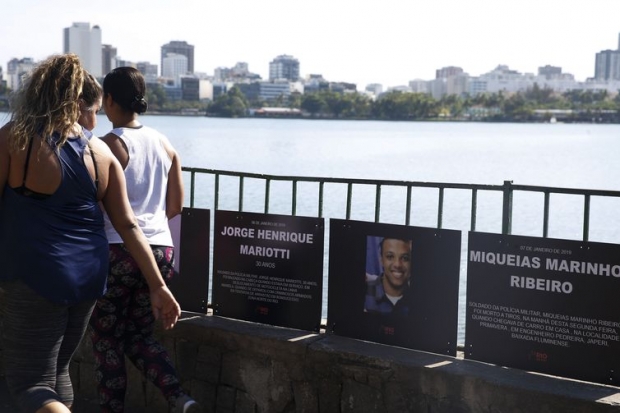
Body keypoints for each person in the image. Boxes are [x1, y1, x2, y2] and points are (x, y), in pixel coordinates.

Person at [0, 54, 181, 413]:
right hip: (89, 276)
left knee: (29, 382)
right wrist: (158, 285)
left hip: (34, 272)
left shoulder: (15, 138)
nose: (95, 120)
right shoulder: (100, 152)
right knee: (57, 374)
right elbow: (129, 225)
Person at [87, 67, 198, 413]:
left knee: (107, 340)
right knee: (138, 336)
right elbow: (175, 206)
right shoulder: (165, 144)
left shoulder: (107, 146)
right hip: (161, 251)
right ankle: (179, 397)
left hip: (117, 252)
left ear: (107, 100)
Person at [364, 237, 413, 315]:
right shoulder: (364, 292)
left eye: (405, 258)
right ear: (381, 260)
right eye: (390, 257)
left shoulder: (420, 298)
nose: (397, 264)